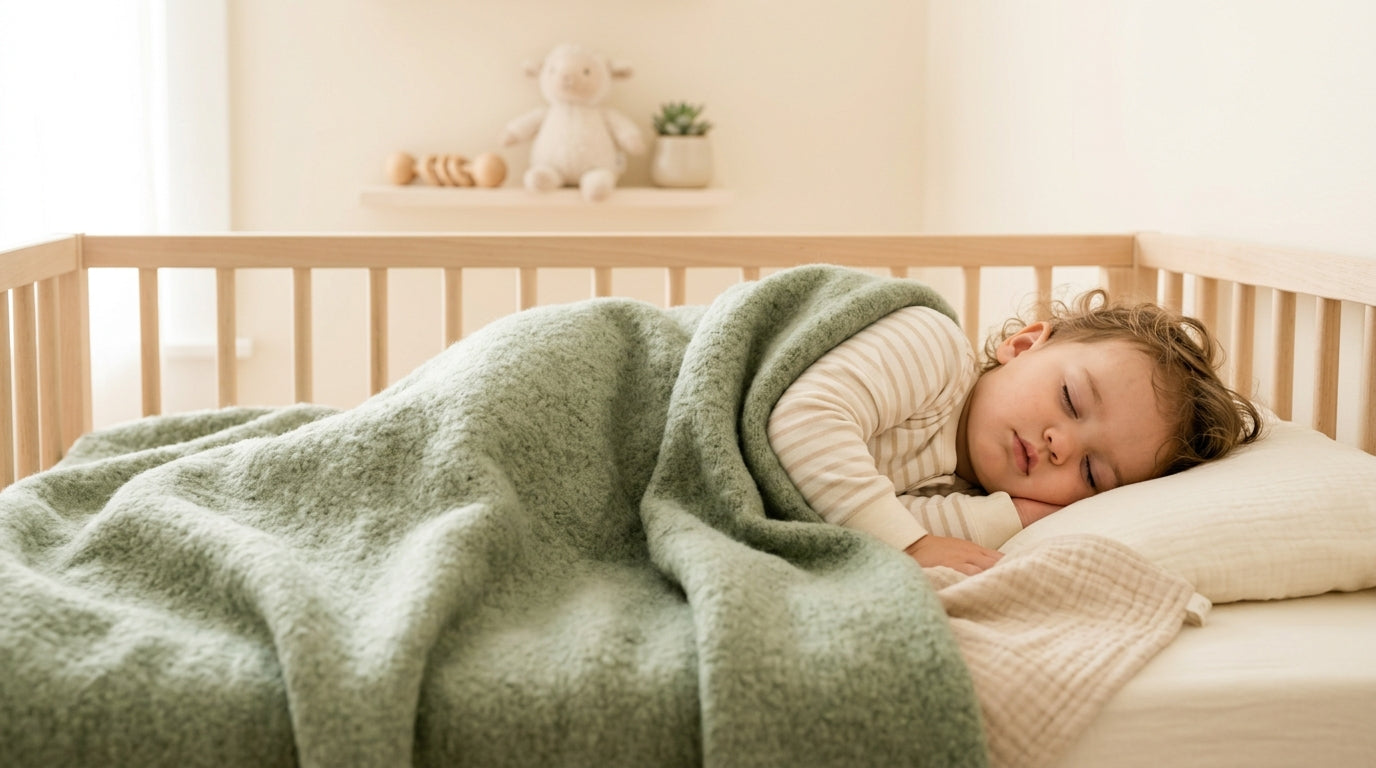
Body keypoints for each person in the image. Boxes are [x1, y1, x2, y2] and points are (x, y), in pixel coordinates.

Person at [767, 288, 1262, 575]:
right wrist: (912, 548)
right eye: (1071, 398)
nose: (1062, 445)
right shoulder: (932, 351)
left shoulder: (957, 486)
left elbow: (843, 517)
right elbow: (803, 421)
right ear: (1023, 345)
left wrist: (1012, 516)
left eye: (1092, 472)